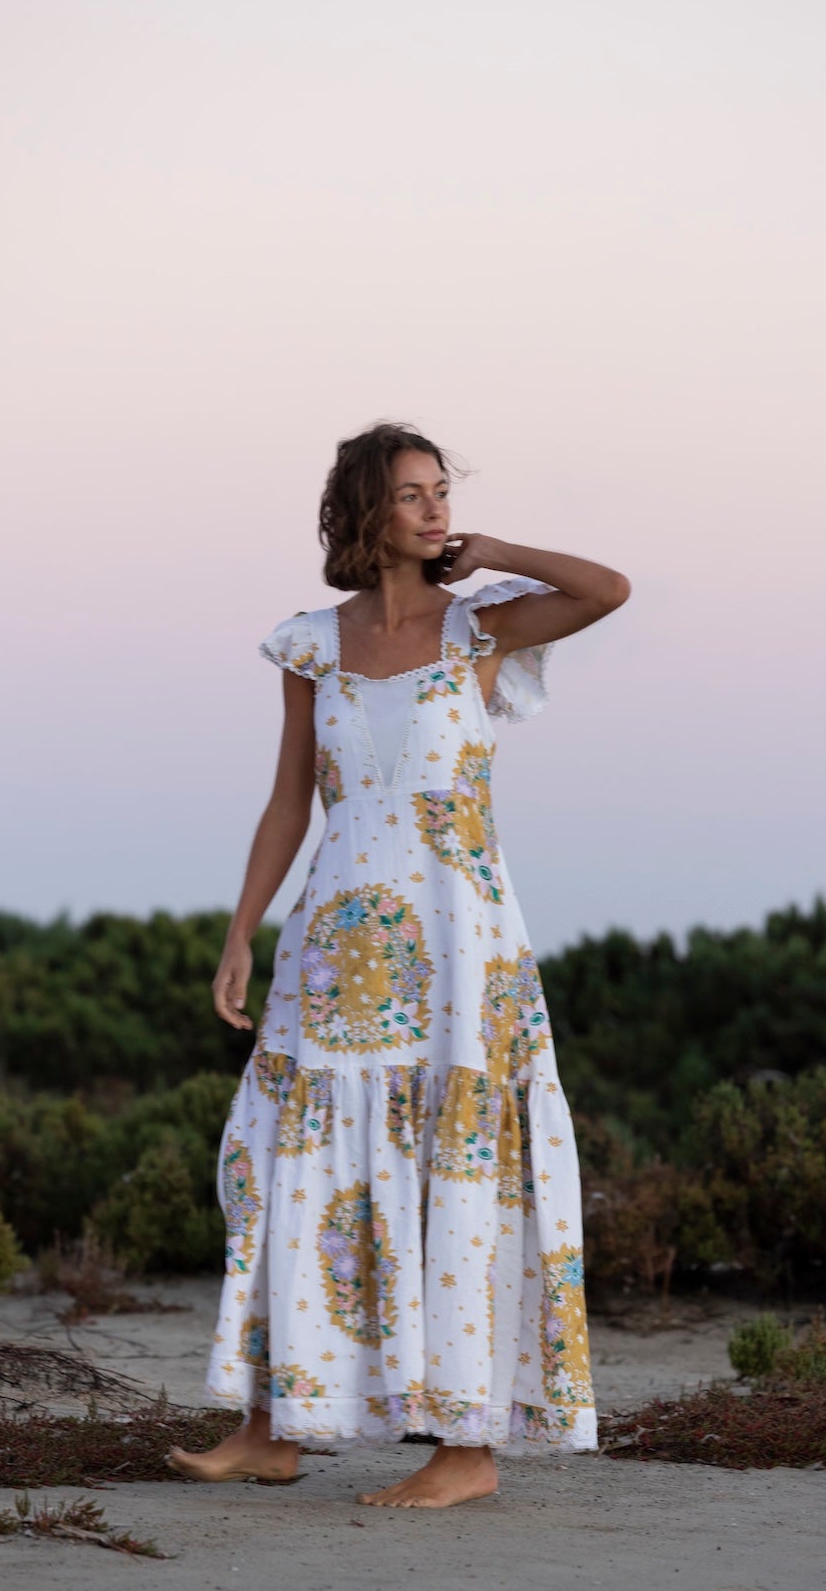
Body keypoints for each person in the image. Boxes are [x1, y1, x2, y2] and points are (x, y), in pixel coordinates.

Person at [167, 420, 630, 1509]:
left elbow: (607, 588)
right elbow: (290, 801)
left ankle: (467, 1450)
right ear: (363, 512)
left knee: (458, 1167)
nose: (434, 509)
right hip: (335, 943)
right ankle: (274, 1424)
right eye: (411, 494)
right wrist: (241, 931)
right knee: (284, 1158)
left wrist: (495, 548)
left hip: (463, 942)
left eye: (441, 492)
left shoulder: (481, 627)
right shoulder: (310, 646)